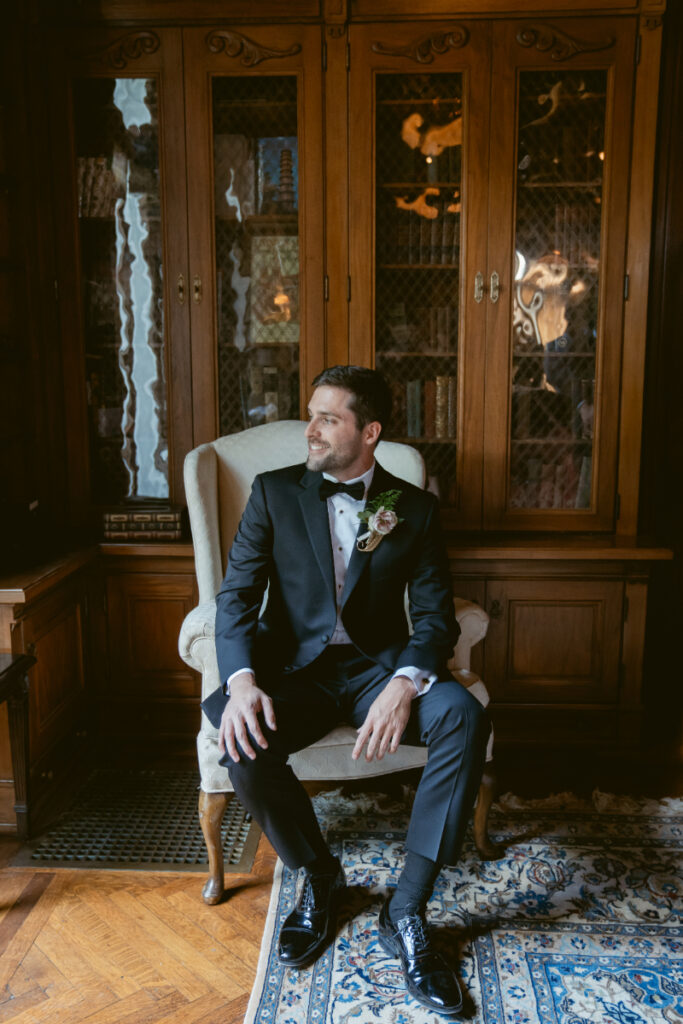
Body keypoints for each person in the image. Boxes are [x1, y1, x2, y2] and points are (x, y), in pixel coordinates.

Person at [202, 365, 489, 1016]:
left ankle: (407, 910)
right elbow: (237, 598)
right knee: (233, 724)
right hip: (294, 673)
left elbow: (437, 615)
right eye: (311, 414)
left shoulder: (409, 508)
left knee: (461, 716)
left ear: (369, 432)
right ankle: (319, 875)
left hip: (377, 670)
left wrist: (405, 681)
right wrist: (243, 680)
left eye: (327, 418)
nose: (310, 428)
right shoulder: (274, 494)